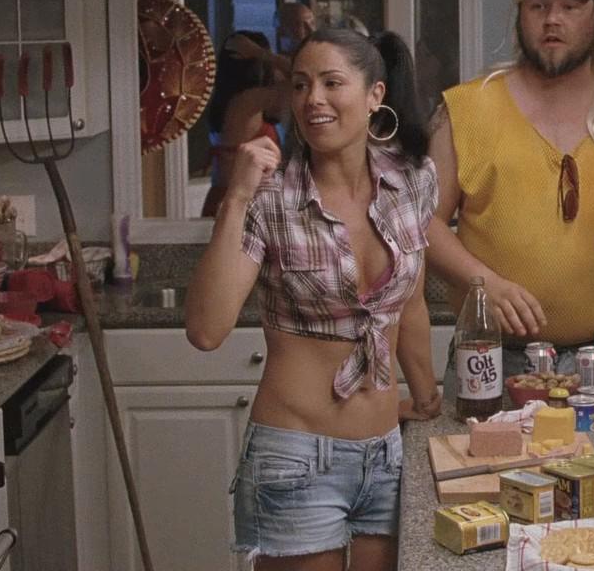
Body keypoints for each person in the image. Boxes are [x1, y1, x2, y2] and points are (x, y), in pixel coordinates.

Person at [186, 28, 439, 571]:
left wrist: (427, 399)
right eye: (300, 85)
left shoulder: (413, 180)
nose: (312, 99)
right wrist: (235, 194)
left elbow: (410, 303)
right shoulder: (270, 198)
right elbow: (206, 330)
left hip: (387, 455)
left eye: (331, 83)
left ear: (375, 95)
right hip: (296, 456)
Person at [427, 0, 594, 389]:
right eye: (539, 5)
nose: (553, 20)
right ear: (519, 13)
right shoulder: (465, 109)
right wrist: (483, 283)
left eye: (571, 6)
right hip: (490, 357)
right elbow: (421, 225)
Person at [200, 30, 291, 217]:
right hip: (240, 204)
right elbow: (300, 76)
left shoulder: (227, 99)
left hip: (226, 198)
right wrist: (260, 53)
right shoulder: (251, 99)